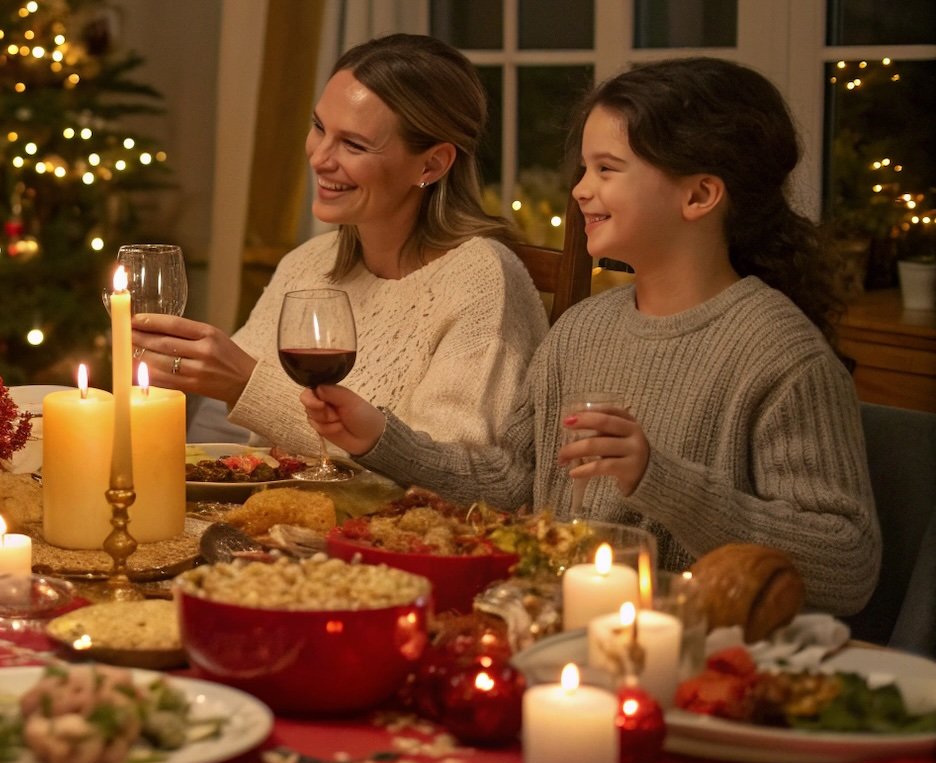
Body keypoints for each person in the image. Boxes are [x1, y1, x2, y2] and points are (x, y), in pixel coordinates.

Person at [302, 57, 880, 613]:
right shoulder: (582, 330)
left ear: (699, 195)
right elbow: (511, 483)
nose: (580, 190)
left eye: (607, 169)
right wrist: (382, 436)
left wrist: (661, 479)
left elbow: (845, 565)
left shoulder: (780, 353)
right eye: (584, 168)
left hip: (700, 652)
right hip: (561, 628)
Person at [133, 34, 547, 457]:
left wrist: (246, 384)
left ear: (431, 164)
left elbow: (447, 475)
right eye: (319, 128)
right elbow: (222, 425)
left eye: (353, 144)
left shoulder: (480, 279)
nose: (319, 158)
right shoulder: (311, 263)